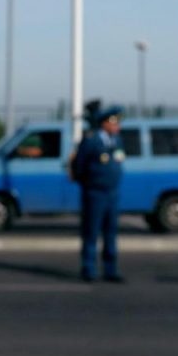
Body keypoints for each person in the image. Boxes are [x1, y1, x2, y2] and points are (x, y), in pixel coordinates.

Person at [70, 105, 126, 282]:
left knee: (111, 232)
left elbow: (119, 160)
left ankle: (111, 269)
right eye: (114, 123)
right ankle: (89, 268)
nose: (117, 126)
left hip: (112, 193)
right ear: (105, 123)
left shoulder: (117, 140)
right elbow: (79, 166)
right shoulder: (91, 140)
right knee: (91, 231)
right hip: (95, 193)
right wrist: (89, 184)